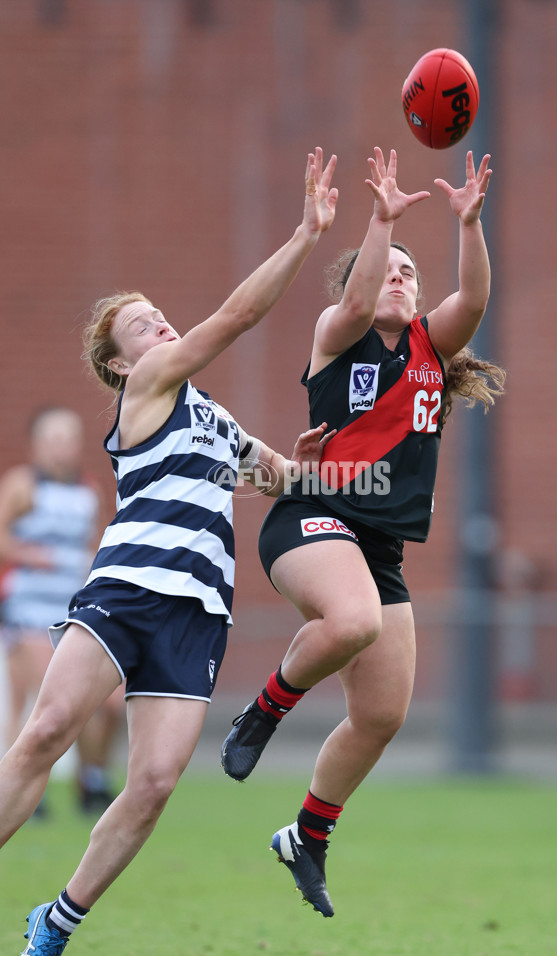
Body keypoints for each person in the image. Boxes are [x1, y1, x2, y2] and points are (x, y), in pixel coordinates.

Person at [0, 147, 338, 955]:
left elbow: (283, 479)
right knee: (46, 731)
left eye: (160, 313)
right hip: (125, 589)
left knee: (151, 783)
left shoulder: (213, 419)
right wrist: (304, 235)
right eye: (141, 325)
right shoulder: (146, 389)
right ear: (121, 364)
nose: (161, 324)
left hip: (198, 615)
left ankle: (55, 924)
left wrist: (339, 474)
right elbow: (235, 320)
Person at [221, 148, 506, 917]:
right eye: (389, 268)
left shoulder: (428, 348)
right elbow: (354, 301)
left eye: (412, 273)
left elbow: (473, 300)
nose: (402, 278)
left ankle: (307, 836)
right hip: (311, 518)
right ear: (359, 281)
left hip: (378, 547)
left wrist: (469, 226)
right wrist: (381, 221)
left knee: (382, 715)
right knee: (350, 622)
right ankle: (263, 711)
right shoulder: (338, 334)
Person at [0, 406, 124, 816]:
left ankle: (92, 780)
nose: (61, 447)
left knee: (108, 701)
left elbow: (97, 548)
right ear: (36, 444)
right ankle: (23, 790)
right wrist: (31, 554)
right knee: (44, 697)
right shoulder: (22, 485)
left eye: (68, 438)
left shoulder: (88, 491)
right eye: (52, 438)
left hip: (74, 611)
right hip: (27, 611)